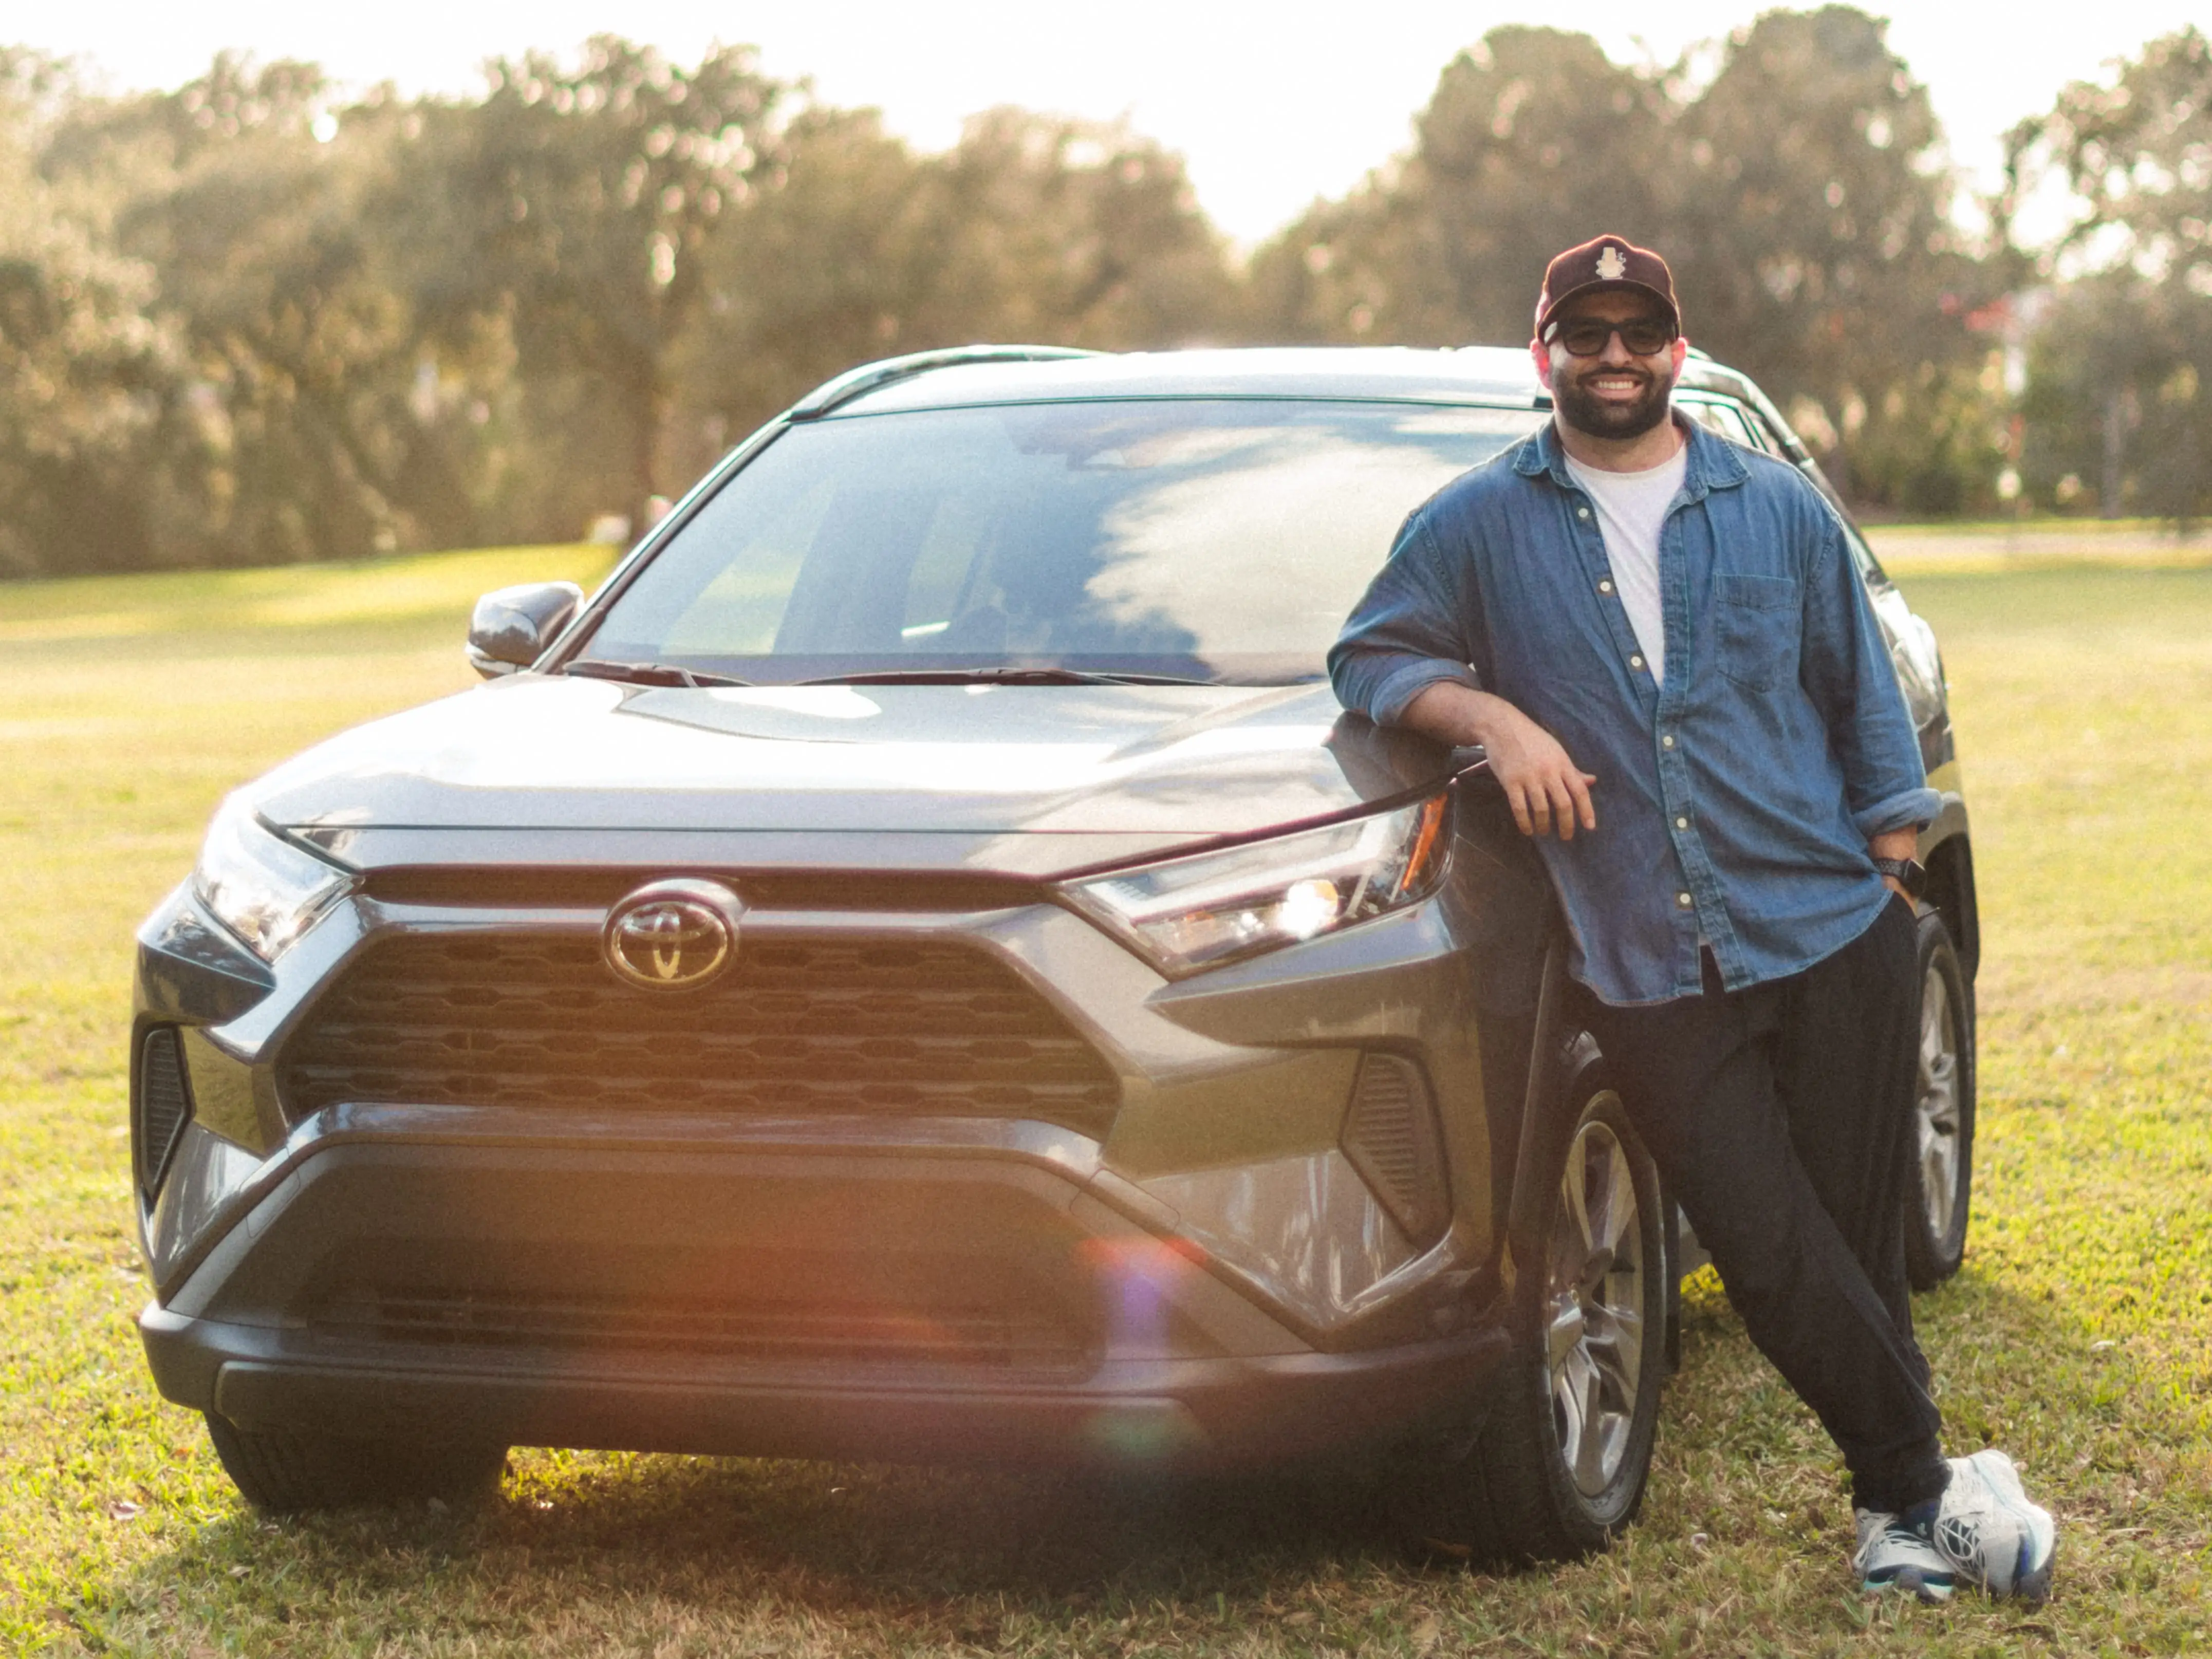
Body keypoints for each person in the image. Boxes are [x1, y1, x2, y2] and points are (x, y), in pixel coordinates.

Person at [1328, 234, 2056, 1603]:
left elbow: (1866, 702)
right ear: (1543, 349)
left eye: (1638, 331)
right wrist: (1493, 717)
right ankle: (1941, 1486)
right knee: (1770, 1253)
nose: (1614, 355)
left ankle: (1893, 1519)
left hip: (1836, 934)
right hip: (1646, 963)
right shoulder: (1480, 523)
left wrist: (1895, 885)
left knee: (1850, 1245)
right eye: (1586, 332)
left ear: (1676, 343)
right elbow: (1369, 652)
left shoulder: (1774, 504)